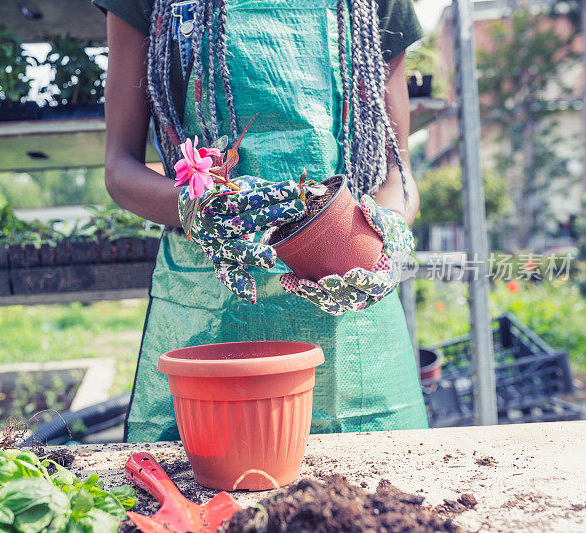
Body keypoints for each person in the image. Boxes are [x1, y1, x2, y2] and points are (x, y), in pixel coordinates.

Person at [94, 0, 428, 442]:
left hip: (350, 318)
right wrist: (205, 210)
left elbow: (398, 175)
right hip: (208, 313)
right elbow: (119, 170)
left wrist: (379, 237)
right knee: (200, 486)